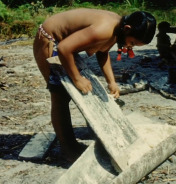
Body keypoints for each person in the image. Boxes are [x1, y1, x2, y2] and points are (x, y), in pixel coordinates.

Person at [33, 8, 156, 162]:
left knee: (72, 91)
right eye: (132, 43)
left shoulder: (117, 29)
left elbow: (102, 53)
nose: (130, 47)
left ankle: (71, 145)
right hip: (49, 40)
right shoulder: (104, 29)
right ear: (127, 29)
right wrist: (77, 78)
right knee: (60, 95)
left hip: (64, 43)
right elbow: (65, 48)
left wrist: (111, 82)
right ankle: (68, 149)